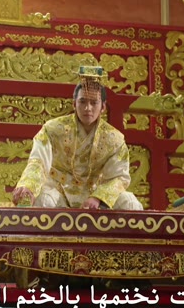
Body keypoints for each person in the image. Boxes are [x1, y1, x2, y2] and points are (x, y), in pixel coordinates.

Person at [12, 66, 143, 210]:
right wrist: (28, 186)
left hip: (95, 194)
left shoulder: (114, 139)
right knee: (42, 199)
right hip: (57, 191)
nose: (88, 108)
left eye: (94, 102)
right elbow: (38, 162)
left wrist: (98, 197)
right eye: (83, 102)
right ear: (74, 104)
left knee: (130, 203)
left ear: (103, 107)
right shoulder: (53, 129)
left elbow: (119, 177)